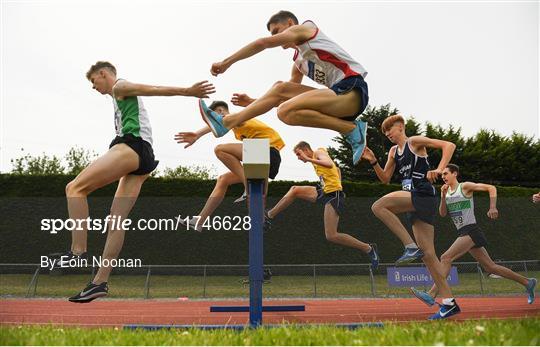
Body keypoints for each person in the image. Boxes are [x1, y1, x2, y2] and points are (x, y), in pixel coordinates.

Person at [59, 61, 215, 303]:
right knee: (116, 220)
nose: (93, 87)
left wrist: (188, 91)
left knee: (75, 188)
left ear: (103, 73)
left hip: (132, 146)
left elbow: (153, 88)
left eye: (93, 81)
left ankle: (77, 252)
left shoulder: (120, 86)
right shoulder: (118, 97)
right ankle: (99, 282)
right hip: (143, 157)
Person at [197, 10, 369, 165]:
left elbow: (263, 43)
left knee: (281, 89)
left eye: (276, 31)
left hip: (353, 89)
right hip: (338, 100)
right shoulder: (299, 63)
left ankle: (227, 122)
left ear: (289, 24)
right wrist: (253, 102)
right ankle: (351, 129)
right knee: (285, 111)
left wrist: (226, 62)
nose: (275, 37)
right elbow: (286, 99)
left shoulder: (304, 29)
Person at [361, 114, 459, 320]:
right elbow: (385, 179)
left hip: (422, 194)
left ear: (401, 127)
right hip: (413, 200)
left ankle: (409, 245)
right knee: (428, 255)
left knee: (378, 206)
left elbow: (449, 145)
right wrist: (373, 162)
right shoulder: (393, 152)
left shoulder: (414, 142)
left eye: (390, 129)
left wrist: (440, 169)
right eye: (385, 132)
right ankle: (449, 303)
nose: (387, 133)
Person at [410, 164, 537, 305]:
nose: (443, 177)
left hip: (471, 230)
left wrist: (493, 207)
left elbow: (491, 188)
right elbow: (443, 213)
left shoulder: (465, 187)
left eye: (446, 174)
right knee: (490, 267)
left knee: (446, 257)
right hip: (463, 231)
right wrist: (443, 196)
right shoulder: (447, 192)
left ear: (455, 174)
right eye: (442, 175)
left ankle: (431, 294)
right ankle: (528, 282)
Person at [264, 141, 379, 269]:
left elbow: (329, 164)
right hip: (325, 191)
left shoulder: (319, 152)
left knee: (331, 235)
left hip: (333, 194)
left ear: (306, 149)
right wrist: (337, 182)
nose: (299, 157)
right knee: (295, 189)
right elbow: (337, 169)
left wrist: (309, 159)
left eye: (299, 154)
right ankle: (269, 215)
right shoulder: (314, 160)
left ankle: (368, 248)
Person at [175, 99, 284, 230]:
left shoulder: (239, 118)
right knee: (224, 180)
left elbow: (224, 119)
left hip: (266, 150)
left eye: (215, 118)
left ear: (220, 112)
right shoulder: (237, 125)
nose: (215, 123)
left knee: (220, 149)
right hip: (260, 155)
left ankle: (247, 185)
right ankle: (200, 221)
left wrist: (198, 134)